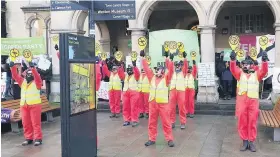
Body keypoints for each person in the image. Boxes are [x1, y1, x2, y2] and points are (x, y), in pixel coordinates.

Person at [230, 51, 268, 152]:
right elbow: (233, 69)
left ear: (251, 65)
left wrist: (264, 61)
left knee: (252, 121)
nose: (246, 65)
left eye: (248, 63)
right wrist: (233, 60)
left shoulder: (257, 74)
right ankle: (244, 141)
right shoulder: (239, 73)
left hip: (253, 101)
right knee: (242, 121)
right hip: (243, 100)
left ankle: (251, 142)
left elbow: (264, 71)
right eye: (244, 63)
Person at [141, 50, 175, 147]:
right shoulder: (151, 77)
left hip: (163, 103)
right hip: (153, 103)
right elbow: (147, 69)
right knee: (152, 122)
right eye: (156, 70)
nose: (157, 71)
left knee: (166, 122)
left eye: (159, 70)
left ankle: (169, 139)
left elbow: (171, 71)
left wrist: (170, 60)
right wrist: (143, 58)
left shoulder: (166, 78)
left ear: (163, 71)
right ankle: (151, 139)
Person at [10, 61, 43, 146]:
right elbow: (15, 76)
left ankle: (38, 138)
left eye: (30, 73)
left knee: (35, 123)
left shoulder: (37, 82)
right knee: (26, 123)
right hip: (24, 105)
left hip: (35, 105)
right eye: (27, 73)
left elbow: (37, 77)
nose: (28, 75)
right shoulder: (23, 82)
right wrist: (12, 67)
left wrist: (33, 68)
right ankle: (28, 138)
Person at [169, 51, 188, 129]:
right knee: (171, 108)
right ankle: (172, 122)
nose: (177, 66)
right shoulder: (172, 72)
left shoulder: (183, 72)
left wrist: (185, 58)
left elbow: (186, 66)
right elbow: (169, 66)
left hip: (181, 91)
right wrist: (171, 59)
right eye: (176, 65)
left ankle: (183, 122)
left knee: (182, 107)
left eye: (179, 65)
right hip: (173, 91)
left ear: (181, 66)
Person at [122, 61, 140, 127]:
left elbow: (137, 73)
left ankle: (134, 120)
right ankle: (127, 120)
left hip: (134, 92)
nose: (129, 70)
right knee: (125, 107)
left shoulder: (136, 75)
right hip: (125, 92)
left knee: (134, 107)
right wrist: (120, 66)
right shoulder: (125, 75)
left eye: (130, 69)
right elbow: (120, 73)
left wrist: (135, 66)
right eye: (128, 69)